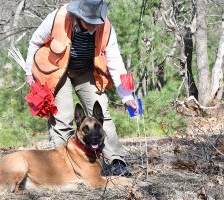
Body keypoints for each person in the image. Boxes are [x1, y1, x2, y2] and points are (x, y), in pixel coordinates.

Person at [24, 0, 138, 176]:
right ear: (78, 16)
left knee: (102, 114)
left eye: (96, 22)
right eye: (89, 22)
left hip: (86, 71)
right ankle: (61, 165)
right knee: (63, 117)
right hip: (57, 71)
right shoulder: (57, 18)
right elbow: (34, 42)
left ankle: (116, 161)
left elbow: (116, 61)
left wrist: (127, 96)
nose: (93, 26)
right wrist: (28, 72)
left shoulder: (106, 27)